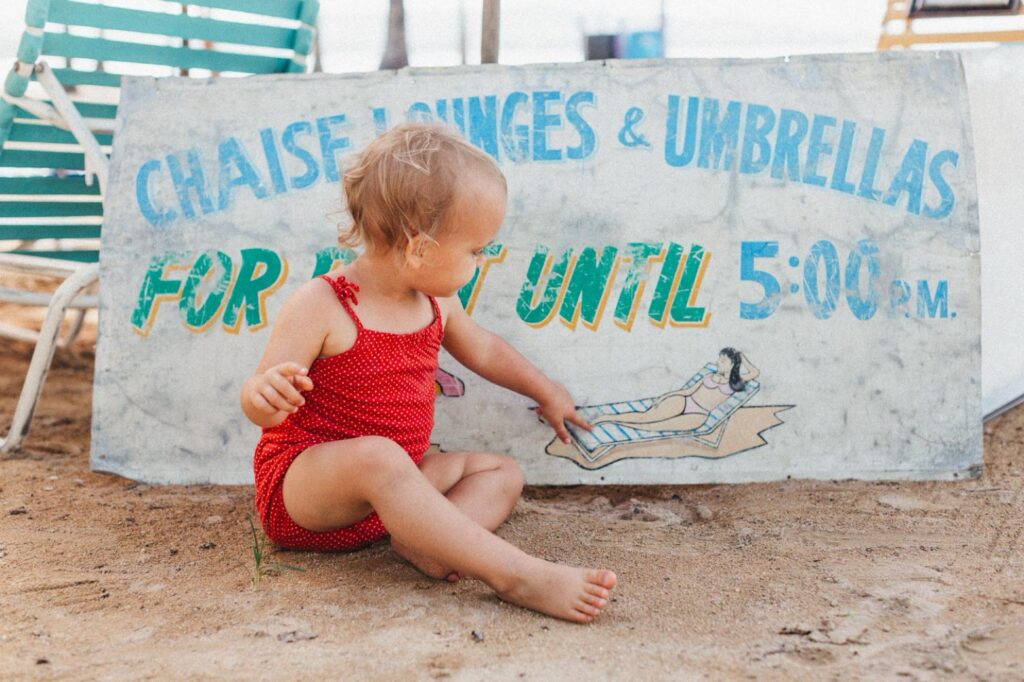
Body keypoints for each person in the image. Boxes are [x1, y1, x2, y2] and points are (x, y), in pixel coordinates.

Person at [240, 122, 616, 624]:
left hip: (392, 492)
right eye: (476, 250)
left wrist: (545, 389)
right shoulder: (325, 303)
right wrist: (264, 395)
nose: (481, 260)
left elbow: (484, 349)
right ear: (419, 247)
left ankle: (435, 546)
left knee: (500, 471)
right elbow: (257, 399)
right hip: (308, 495)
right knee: (380, 456)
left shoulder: (437, 302)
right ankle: (515, 574)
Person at [591, 348, 760, 431]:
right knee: (646, 417)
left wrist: (741, 356)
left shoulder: (734, 382)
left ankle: (616, 422)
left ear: (732, 364)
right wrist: (665, 397)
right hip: (684, 401)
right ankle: (607, 418)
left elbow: (755, 372)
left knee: (653, 428)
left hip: (699, 415)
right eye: (719, 359)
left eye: (723, 360)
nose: (718, 362)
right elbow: (687, 391)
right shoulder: (708, 376)